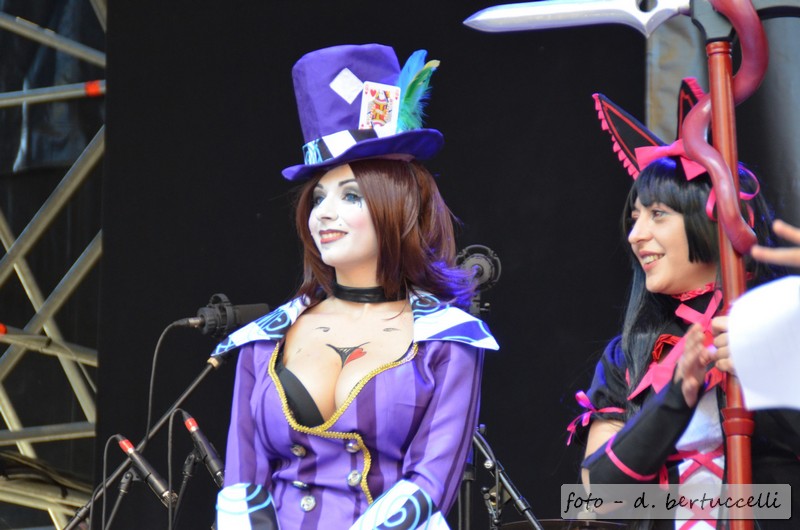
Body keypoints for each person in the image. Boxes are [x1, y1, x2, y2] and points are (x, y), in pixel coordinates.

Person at [211, 44, 499, 530]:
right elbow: (242, 485)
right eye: (318, 197)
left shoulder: (449, 339)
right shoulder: (264, 338)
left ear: (398, 207)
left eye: (350, 196)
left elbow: (430, 483)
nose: (324, 213)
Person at [567, 81, 800, 530]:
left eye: (657, 214)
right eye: (634, 218)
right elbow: (596, 499)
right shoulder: (628, 355)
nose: (635, 235)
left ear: (711, 218)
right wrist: (675, 396)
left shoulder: (784, 324)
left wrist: (766, 372)